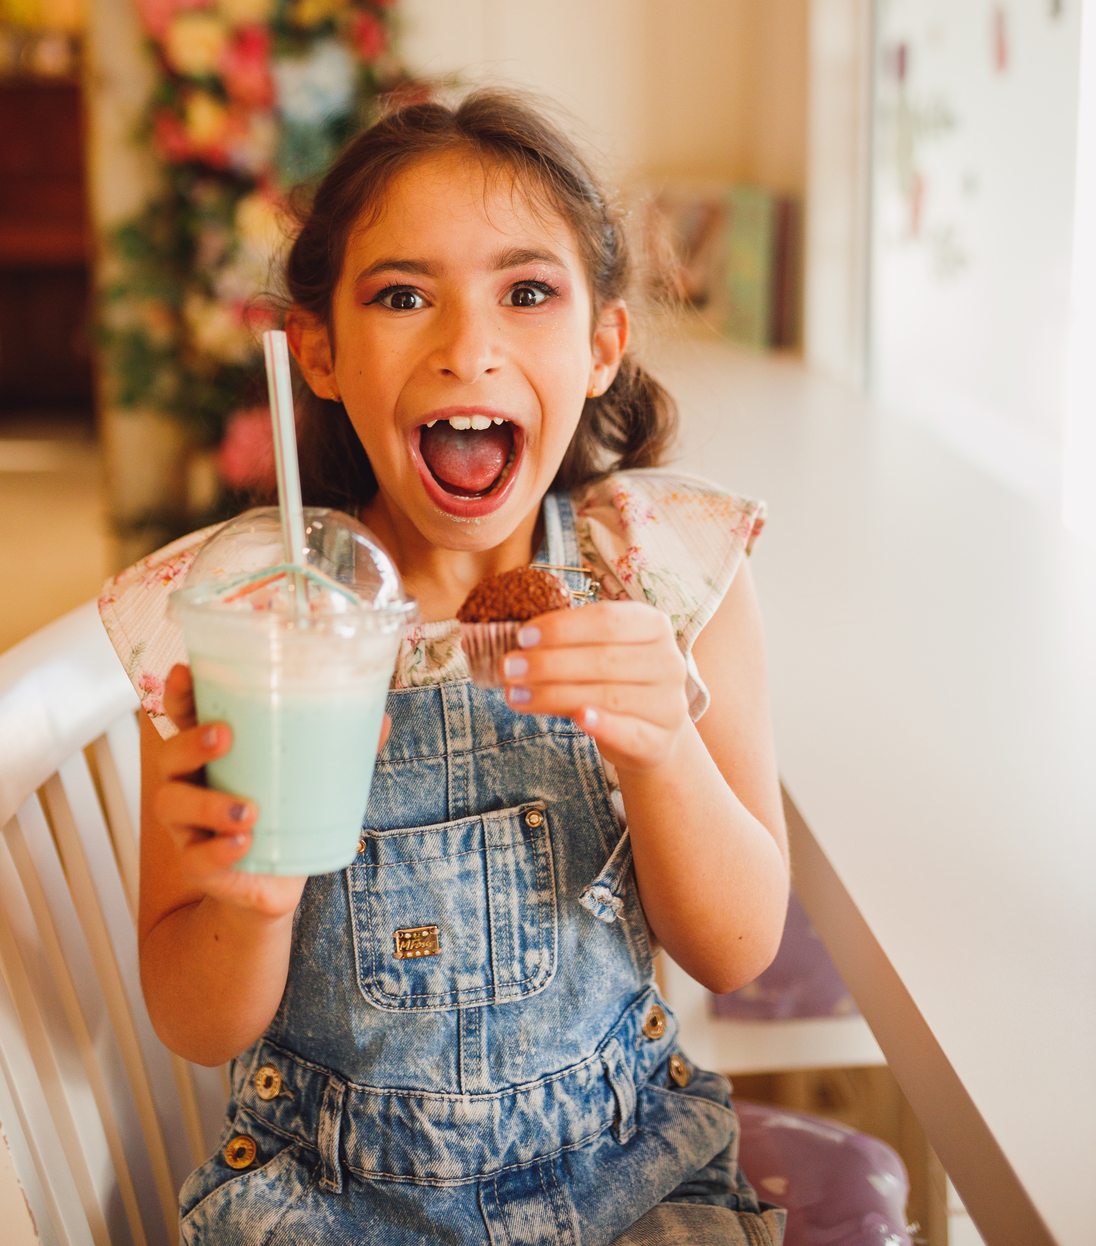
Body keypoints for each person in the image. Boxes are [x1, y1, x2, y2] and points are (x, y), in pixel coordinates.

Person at [100, 90, 790, 1243]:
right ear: (317, 349)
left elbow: (738, 951)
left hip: (631, 1180)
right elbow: (197, 1019)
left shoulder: (663, 578)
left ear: (602, 341)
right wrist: (251, 892)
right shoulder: (240, 617)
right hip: (328, 1203)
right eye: (402, 295)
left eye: (527, 293)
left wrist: (665, 749)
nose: (467, 347)